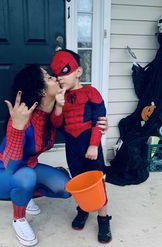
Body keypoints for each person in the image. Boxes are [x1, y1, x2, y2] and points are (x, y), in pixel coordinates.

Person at [0, 64, 108, 246]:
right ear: (41, 91)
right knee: (25, 176)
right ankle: (19, 219)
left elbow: (79, 127)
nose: (56, 78)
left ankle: (25, 196)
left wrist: (102, 126)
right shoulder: (21, 117)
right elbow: (11, 166)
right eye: (49, 77)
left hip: (29, 168)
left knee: (65, 189)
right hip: (0, 173)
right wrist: (16, 128)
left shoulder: (53, 115)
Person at [50, 49, 112, 243]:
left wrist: (94, 145)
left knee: (97, 182)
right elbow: (56, 124)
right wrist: (58, 105)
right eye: (57, 74)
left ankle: (103, 219)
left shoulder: (91, 92)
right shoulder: (60, 97)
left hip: (90, 145)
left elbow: (99, 120)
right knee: (79, 182)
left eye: (65, 71)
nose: (60, 78)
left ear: (78, 71)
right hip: (73, 147)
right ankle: (83, 209)